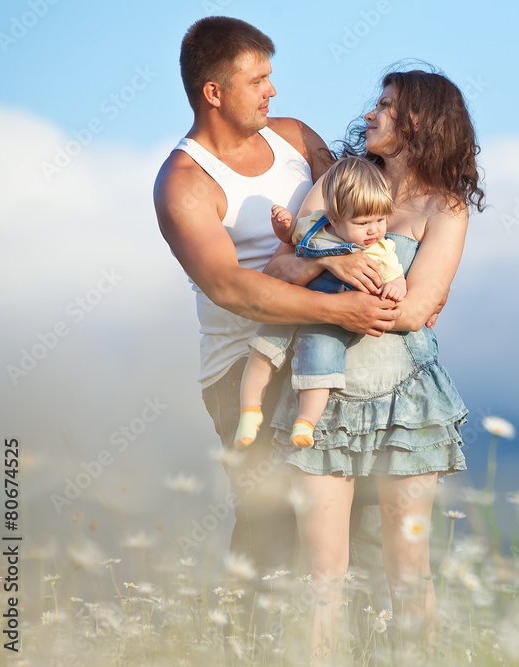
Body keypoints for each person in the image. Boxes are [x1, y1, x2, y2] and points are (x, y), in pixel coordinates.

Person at [151, 17, 397, 588]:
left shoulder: (293, 136)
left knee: (355, 522)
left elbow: (359, 209)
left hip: (331, 349)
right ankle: (245, 646)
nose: (272, 90)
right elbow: (229, 288)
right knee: (272, 530)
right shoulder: (184, 182)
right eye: (258, 79)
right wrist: (338, 304)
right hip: (247, 366)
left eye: (271, 75)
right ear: (215, 93)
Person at [269, 69, 485, 660]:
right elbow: (281, 274)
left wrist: (334, 277)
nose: (370, 114)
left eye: (386, 106)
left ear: (418, 120)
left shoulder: (445, 207)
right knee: (321, 570)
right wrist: (337, 264)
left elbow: (417, 308)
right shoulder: (339, 180)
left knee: (408, 565)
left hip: (407, 401)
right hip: (324, 394)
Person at [234, 156, 407, 449]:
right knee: (262, 352)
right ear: (336, 219)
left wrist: (396, 287)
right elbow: (292, 237)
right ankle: (249, 411)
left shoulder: (381, 250)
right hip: (293, 304)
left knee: (320, 368)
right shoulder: (316, 226)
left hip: (330, 320)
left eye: (380, 220)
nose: (373, 230)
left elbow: (398, 276)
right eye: (363, 223)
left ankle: (305, 423)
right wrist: (284, 227)